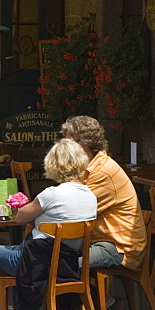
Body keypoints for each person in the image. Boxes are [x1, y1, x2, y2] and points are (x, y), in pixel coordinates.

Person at [0, 139, 97, 275]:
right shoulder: (91, 197)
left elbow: (20, 218)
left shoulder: (51, 194)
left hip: (33, 264)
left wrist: (32, 215)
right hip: (66, 267)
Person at [61, 115, 147, 271]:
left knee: (56, 265)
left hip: (119, 247)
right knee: (46, 257)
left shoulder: (103, 172)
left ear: (86, 143)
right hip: (96, 241)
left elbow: (72, 211)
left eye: (70, 143)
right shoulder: (85, 167)